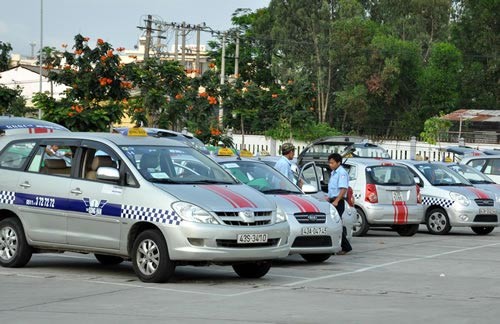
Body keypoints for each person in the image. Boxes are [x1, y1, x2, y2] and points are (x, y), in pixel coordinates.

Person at [327, 152, 352, 255]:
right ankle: (338, 245)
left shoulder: (341, 173)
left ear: (338, 163)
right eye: (329, 163)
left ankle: (345, 247)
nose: (330, 165)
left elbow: (343, 189)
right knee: (334, 224)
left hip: (338, 202)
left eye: (332, 163)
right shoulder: (334, 172)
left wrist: (336, 201)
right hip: (332, 200)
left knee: (336, 224)